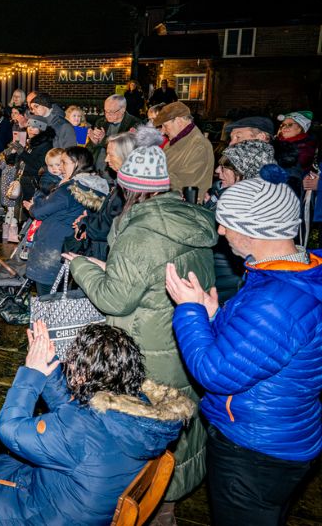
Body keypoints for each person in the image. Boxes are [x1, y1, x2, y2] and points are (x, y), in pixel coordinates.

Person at [167, 166, 321, 525]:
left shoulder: (276, 301)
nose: (220, 231)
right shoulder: (285, 274)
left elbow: (216, 373)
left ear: (254, 230)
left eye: (226, 223)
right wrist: (213, 313)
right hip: (282, 431)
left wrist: (189, 311)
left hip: (255, 448)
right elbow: (254, 347)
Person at [65, 142, 214, 510]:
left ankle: (148, 506)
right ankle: (165, 501)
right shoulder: (185, 219)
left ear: (128, 186)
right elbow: (147, 279)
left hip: (147, 352)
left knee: (148, 434)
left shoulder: (141, 232)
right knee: (174, 424)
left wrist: (81, 266)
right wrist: (112, 272)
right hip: (181, 343)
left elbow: (115, 300)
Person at [0, 321, 194, 526]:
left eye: (72, 363)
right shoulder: (137, 404)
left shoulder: (80, 428)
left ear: (83, 376)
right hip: (90, 501)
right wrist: (50, 368)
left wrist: (31, 373)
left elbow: (10, 429)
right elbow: (78, 412)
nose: (69, 365)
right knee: (0, 466)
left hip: (57, 515)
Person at [66, 126, 161, 261]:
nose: (106, 160)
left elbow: (111, 226)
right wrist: (91, 217)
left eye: (111, 154)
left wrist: (85, 222)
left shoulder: (132, 189)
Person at [204, 141, 278, 304]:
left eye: (224, 168)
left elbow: (215, 233)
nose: (217, 171)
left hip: (233, 275)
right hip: (227, 268)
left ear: (244, 171)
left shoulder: (249, 202)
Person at [25, 147, 106, 292]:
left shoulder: (68, 189)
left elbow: (39, 211)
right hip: (75, 247)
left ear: (77, 163)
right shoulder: (99, 187)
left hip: (53, 248)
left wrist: (34, 204)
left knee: (47, 297)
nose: (61, 167)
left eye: (65, 163)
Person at [153, 101, 214, 198]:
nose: (163, 132)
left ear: (179, 121)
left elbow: (186, 185)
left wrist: (153, 171)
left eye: (165, 126)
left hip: (185, 208)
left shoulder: (199, 146)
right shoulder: (172, 143)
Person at [86, 94, 142, 171]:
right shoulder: (101, 122)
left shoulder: (134, 124)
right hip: (97, 170)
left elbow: (127, 151)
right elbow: (90, 149)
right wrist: (93, 142)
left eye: (111, 111)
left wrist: (103, 139)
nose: (107, 115)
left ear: (123, 109)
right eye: (105, 111)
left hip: (118, 172)